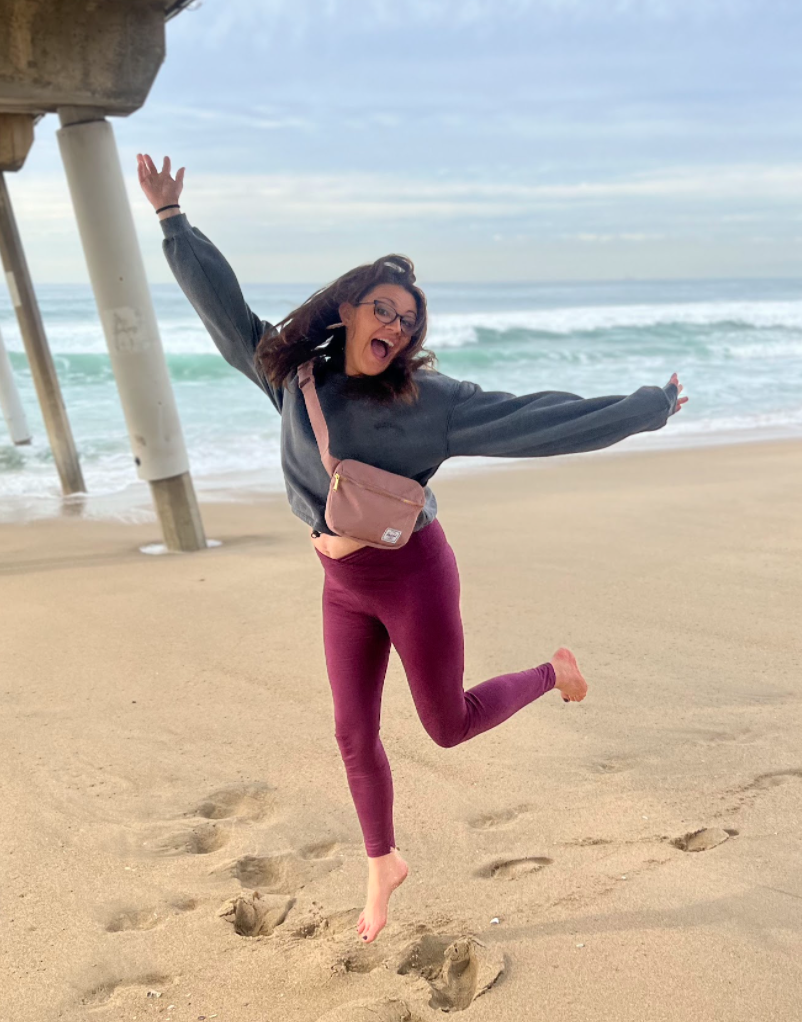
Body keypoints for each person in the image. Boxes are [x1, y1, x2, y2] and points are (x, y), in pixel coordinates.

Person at [138, 155, 687, 942]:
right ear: (349, 308)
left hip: (414, 577)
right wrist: (172, 223)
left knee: (446, 726)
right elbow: (225, 313)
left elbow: (542, 419)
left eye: (408, 322)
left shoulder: (432, 404)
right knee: (351, 730)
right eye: (384, 311)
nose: (395, 328)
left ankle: (551, 673)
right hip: (340, 583)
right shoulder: (292, 378)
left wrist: (649, 408)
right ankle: (381, 867)